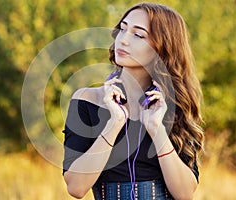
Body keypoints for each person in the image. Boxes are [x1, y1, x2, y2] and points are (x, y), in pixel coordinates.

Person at [62, 2, 204, 200]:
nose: (124, 40)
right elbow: (76, 188)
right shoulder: (86, 100)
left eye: (138, 35)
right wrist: (115, 123)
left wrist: (156, 129)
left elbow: (185, 194)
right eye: (122, 29)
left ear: (163, 48)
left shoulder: (176, 106)